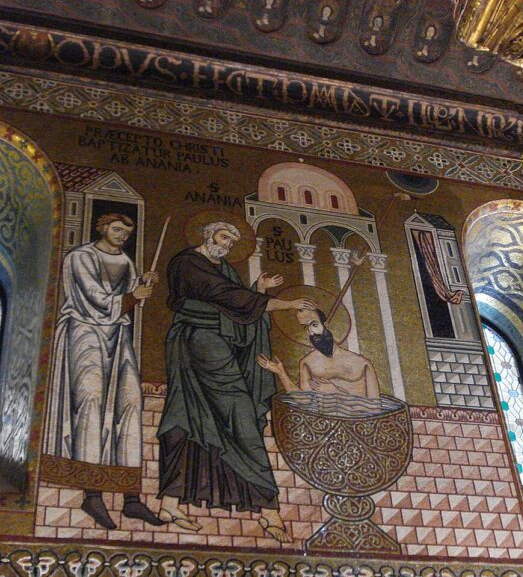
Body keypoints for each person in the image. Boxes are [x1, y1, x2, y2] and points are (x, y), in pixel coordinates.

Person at [156, 221, 314, 538]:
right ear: (207, 233)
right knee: (221, 414)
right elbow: (228, 299)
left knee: (192, 417)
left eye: (233, 239)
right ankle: (268, 511)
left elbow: (236, 306)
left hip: (215, 345)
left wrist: (257, 291)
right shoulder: (188, 262)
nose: (228, 243)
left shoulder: (224, 268)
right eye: (224, 236)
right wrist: (286, 303)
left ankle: (171, 506)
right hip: (197, 343)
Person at [44, 213, 161, 530]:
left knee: (131, 403)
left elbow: (127, 301)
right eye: (117, 229)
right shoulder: (80, 257)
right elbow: (93, 298)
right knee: (91, 401)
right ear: (103, 228)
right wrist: (131, 296)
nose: (122, 234)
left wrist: (141, 287)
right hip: (85, 333)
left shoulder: (125, 260)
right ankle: (91, 493)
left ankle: (131, 499)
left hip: (117, 336)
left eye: (127, 231)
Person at [258, 307, 381, 400]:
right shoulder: (307, 363)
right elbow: (305, 401)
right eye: (306, 328)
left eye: (314, 324)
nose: (311, 332)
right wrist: (281, 372)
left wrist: (335, 391)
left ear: (325, 324)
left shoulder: (361, 363)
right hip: (323, 426)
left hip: (357, 425)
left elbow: (375, 407)